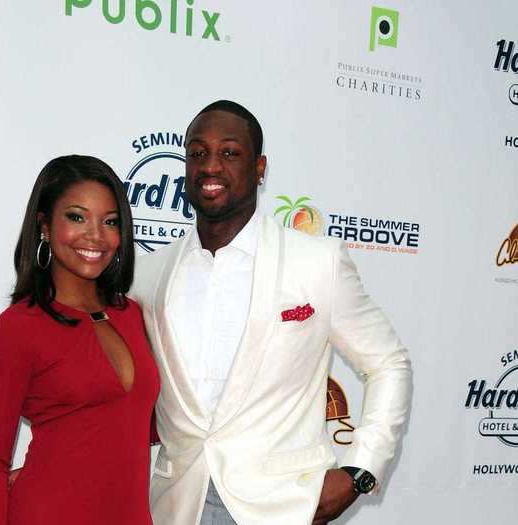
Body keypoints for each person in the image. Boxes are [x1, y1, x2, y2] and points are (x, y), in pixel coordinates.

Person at [130, 101, 412, 525]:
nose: (211, 166)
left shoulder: (317, 263)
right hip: (175, 503)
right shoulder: (149, 274)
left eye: (230, 153)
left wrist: (360, 470)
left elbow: (389, 363)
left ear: (259, 168)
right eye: (197, 153)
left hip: (284, 506)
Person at [0, 155, 159, 525]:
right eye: (77, 217)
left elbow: (143, 424)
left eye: (110, 222)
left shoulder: (133, 314)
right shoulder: (18, 326)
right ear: (44, 224)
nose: (95, 235)